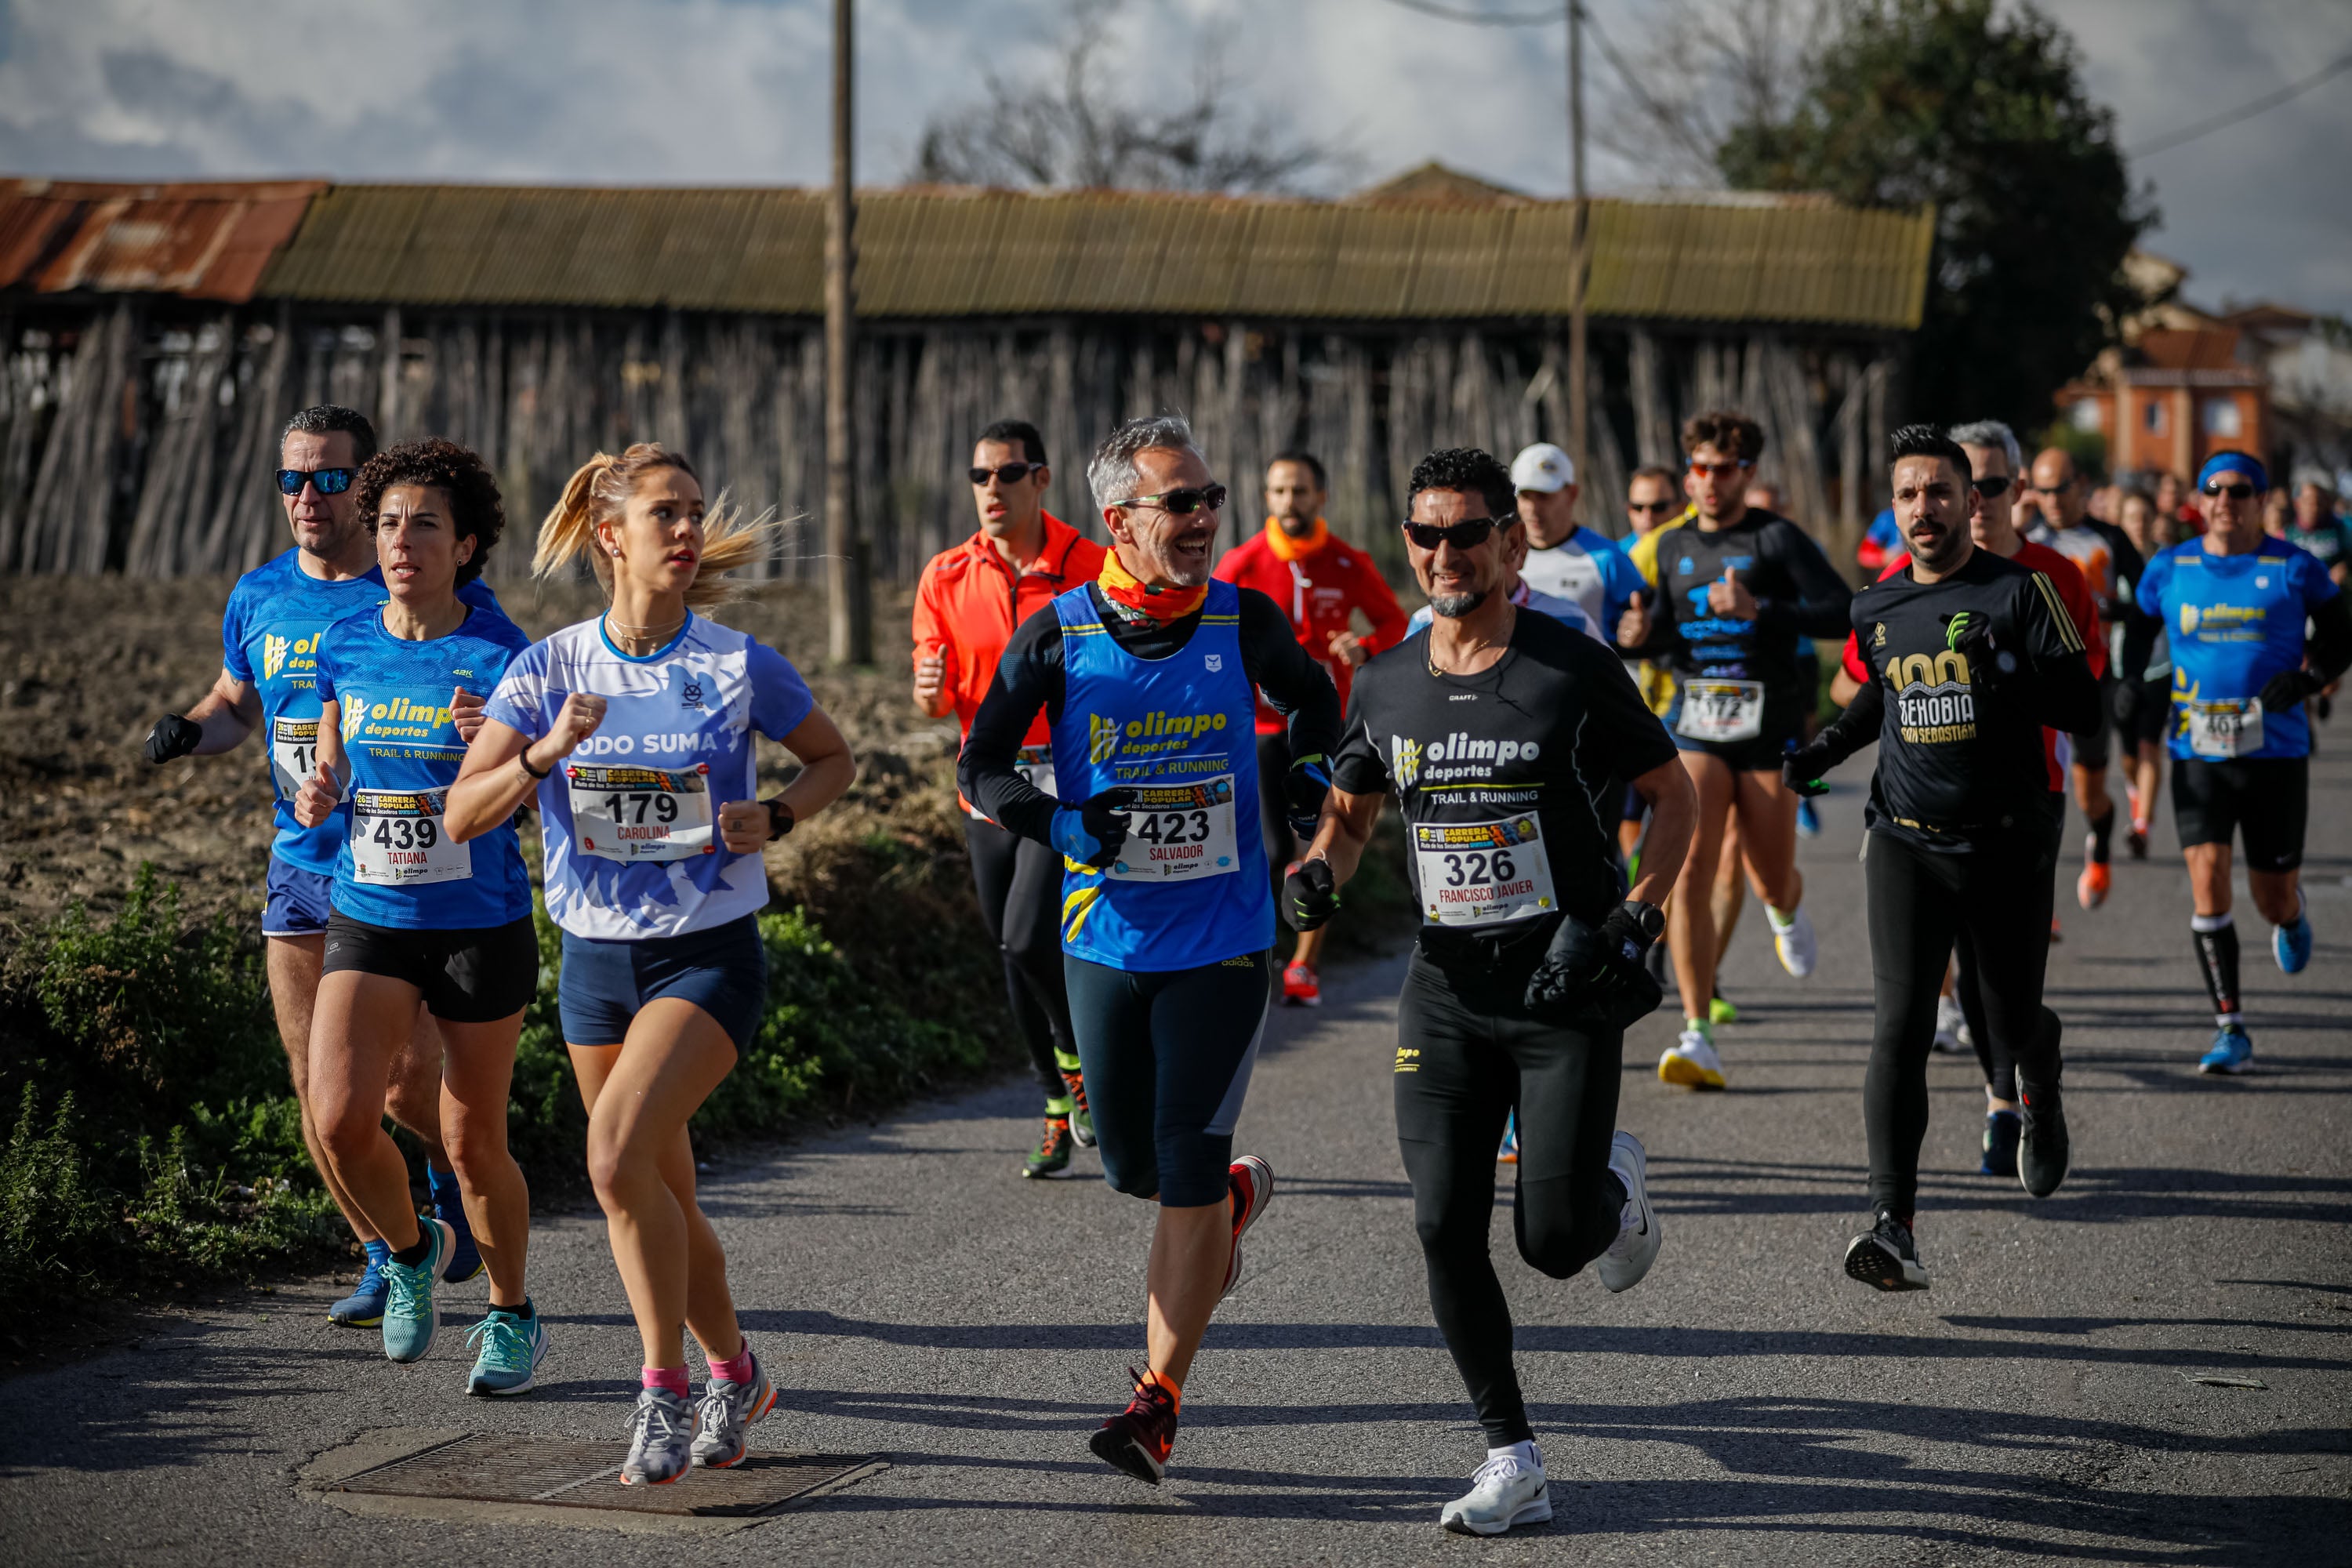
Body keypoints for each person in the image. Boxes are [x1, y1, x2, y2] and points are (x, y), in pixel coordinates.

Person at [1286, 446, 1693, 1535]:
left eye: (1468, 532)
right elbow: (1354, 808)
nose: (1445, 552)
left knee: (1554, 1243)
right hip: (1447, 989)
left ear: (1512, 544)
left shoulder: (1569, 668)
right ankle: (1512, 1455)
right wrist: (1319, 871)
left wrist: (1630, 920)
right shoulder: (1385, 678)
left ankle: (1617, 1184)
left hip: (1564, 987)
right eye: (1425, 533)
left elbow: (1674, 795)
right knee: (1440, 1225)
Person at [449, 443, 856, 1483]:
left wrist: (775, 816)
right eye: (664, 514)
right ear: (610, 536)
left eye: (692, 511)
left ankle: (662, 1393)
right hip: (593, 963)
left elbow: (833, 760)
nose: (686, 530)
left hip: (708, 958)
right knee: (654, 1189)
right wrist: (539, 753)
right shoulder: (546, 670)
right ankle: (737, 1370)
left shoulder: (734, 663)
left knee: (610, 1159)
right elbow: (463, 811)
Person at [960, 414, 1339, 1487]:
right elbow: (982, 763)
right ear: (1118, 519)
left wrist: (1309, 785)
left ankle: (1155, 1403)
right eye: (1181, 503)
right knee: (1130, 1166)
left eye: (1211, 500)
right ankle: (1233, 1203)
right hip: (1105, 937)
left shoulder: (1243, 619)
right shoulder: (1059, 634)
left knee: (1177, 1169)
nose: (1204, 519)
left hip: (1224, 941)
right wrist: (1058, 824)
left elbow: (1315, 701)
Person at [142, 405, 494, 1327]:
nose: (307, 496)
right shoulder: (258, 594)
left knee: (408, 1087)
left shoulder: (419, 586)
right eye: (292, 478)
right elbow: (234, 699)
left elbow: (500, 691)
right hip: (303, 861)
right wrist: (193, 730)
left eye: (330, 478)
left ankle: (451, 1177)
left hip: (404, 875)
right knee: (316, 1082)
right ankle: (385, 1251)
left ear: (365, 481)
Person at [1787, 426, 2100, 1290]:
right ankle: (1895, 1224)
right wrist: (1819, 752)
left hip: (2007, 840)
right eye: (1907, 494)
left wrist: (2009, 672)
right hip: (1904, 841)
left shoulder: (2024, 592)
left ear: (1973, 501)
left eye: (1938, 491)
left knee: (2011, 1018)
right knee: (1900, 1027)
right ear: (1893, 511)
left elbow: (2084, 707)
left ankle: (2040, 1073)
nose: (1922, 507)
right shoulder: (1878, 605)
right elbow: (1876, 703)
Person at [286, 439, 541, 1391]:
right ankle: (407, 1248)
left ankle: (513, 1313)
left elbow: (535, 785)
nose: (401, 539)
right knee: (341, 1117)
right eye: (388, 521)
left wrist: (499, 748)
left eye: (425, 523)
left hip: (478, 917)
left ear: (466, 544)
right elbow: (331, 730)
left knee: (473, 1139)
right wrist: (322, 780)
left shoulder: (502, 650)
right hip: (372, 907)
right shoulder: (348, 638)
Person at [1618, 411, 1852, 1089]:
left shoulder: (1775, 538)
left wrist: (1764, 612)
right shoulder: (1669, 546)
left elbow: (1842, 610)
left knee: (1767, 871)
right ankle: (1697, 1031)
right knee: (1689, 870)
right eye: (1698, 467)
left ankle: (1785, 906)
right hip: (1694, 721)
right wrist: (1638, 633)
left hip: (1765, 726)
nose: (1709, 481)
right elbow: (1665, 632)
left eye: (1723, 469)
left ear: (1747, 473)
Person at [914, 419, 1109, 1178]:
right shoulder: (945, 574)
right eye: (980, 476)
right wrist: (929, 694)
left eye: (1007, 473)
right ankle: (1057, 1105)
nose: (991, 488)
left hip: (1066, 777)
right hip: (987, 782)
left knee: (1030, 936)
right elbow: (934, 696)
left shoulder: (1091, 566)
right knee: (1011, 950)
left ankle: (1083, 1068)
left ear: (1042, 479)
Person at [2128, 451, 2351, 1074]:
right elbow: (2140, 633)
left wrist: (2307, 683)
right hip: (2195, 749)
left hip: (2276, 752)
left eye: (2240, 491)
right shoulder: (2171, 567)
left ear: (2261, 500)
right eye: (2214, 491)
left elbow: (2341, 642)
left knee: (2270, 897)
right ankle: (2231, 1027)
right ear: (2200, 500)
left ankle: (2293, 914)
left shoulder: (2296, 567)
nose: (2226, 501)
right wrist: (2132, 685)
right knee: (2207, 883)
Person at [1213, 448, 1407, 1007]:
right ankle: (1255, 950)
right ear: (1266, 498)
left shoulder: (1347, 562)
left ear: (1321, 497)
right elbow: (1206, 627)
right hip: (1261, 729)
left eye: (1299, 491)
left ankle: (1303, 964)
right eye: (1278, 492)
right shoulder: (1243, 564)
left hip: (1332, 727)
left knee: (1321, 841)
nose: (1288, 502)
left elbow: (1395, 623)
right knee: (1271, 849)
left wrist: (1364, 646)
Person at [2027, 448, 2143, 911]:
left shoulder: (2109, 538)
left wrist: (2115, 611)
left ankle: (2099, 845)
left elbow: (2149, 604)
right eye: (2043, 490)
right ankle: (2039, 906)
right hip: (2036, 685)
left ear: (2081, 485)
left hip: (2097, 680)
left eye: (2061, 488)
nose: (2053, 500)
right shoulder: (2024, 537)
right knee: (2039, 794)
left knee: (2089, 794)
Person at [1509, 442, 1649, 637]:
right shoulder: (1504, 558)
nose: (1533, 509)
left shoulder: (1607, 557)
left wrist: (1638, 634)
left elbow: (1652, 626)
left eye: (1543, 496)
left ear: (1572, 494)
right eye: (1525, 496)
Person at [2113, 490, 2174, 856]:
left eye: (2143, 516)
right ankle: (2136, 794)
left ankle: (2142, 826)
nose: (2138, 523)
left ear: (2154, 520)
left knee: (2151, 744)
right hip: (2121, 667)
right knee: (2128, 754)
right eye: (2131, 516)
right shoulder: (2112, 560)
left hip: (2161, 665)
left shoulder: (2167, 561)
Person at [2286, 478, 2351, 587]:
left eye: (2319, 503)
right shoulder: (2286, 534)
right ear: (2297, 504)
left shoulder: (2340, 528)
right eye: (2309, 502)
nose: (2314, 508)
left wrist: (2345, 566)